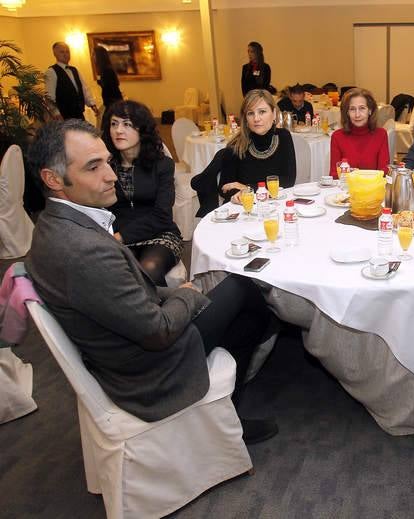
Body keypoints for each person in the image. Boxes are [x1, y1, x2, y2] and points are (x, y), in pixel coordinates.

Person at [25, 119, 282, 443]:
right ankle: (225, 419)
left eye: (108, 161)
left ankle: (224, 406)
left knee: (236, 294)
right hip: (151, 370)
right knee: (247, 290)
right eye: (93, 167)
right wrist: (186, 296)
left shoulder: (54, 225)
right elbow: (157, 330)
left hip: (123, 346)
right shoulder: (81, 250)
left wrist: (178, 292)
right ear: (53, 178)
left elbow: (126, 292)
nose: (111, 176)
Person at [100, 100, 182, 287]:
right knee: (114, 278)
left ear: (142, 130)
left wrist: (121, 237)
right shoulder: (104, 167)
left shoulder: (162, 165)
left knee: (148, 270)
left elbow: (162, 216)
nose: (118, 130)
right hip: (115, 238)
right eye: (114, 124)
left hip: (159, 235)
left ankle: (163, 315)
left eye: (127, 124)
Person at [219, 89, 296, 204]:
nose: (256, 119)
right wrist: (242, 191)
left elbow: (288, 180)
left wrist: (247, 188)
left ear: (274, 113)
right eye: (250, 113)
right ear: (245, 118)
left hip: (275, 204)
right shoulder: (236, 145)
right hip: (245, 208)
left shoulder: (283, 137)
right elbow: (225, 188)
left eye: (262, 112)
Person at [329, 88, 389, 178]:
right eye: (352, 109)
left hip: (372, 188)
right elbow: (334, 174)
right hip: (345, 190)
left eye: (362, 108)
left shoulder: (381, 134)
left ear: (370, 110)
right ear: (347, 113)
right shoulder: (337, 137)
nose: (357, 115)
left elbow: (384, 171)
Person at [45, 42, 99, 121]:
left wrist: (92, 104)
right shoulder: (51, 71)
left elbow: (84, 88)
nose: (65, 54)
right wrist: (56, 112)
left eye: (67, 52)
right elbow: (49, 95)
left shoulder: (74, 70)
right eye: (62, 52)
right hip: (64, 116)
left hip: (78, 113)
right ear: (55, 54)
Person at [92, 46, 123, 112]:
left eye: (94, 54)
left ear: (99, 56)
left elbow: (110, 87)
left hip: (113, 103)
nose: (93, 57)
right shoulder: (105, 69)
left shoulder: (107, 70)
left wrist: (100, 82)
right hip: (112, 102)